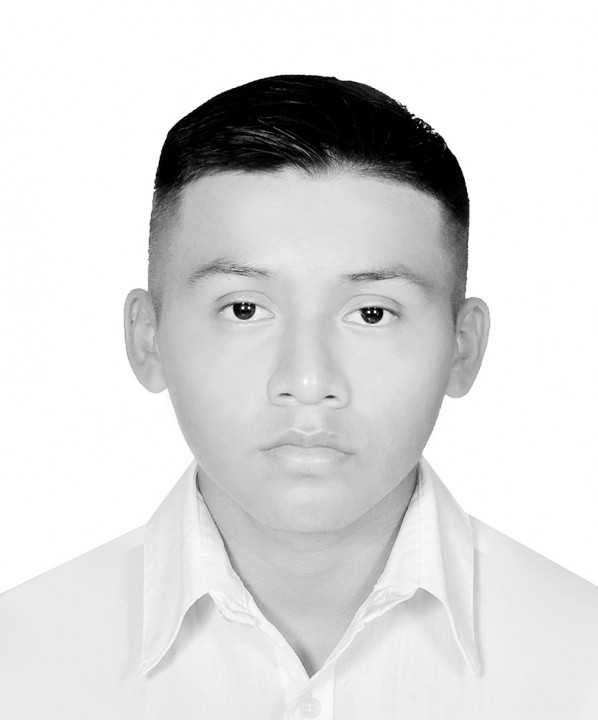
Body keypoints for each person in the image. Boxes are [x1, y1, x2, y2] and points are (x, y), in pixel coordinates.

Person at [1, 74, 596, 720]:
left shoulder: (582, 660)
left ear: (463, 346)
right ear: (147, 339)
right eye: (245, 309)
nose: (308, 381)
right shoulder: (20, 666)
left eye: (371, 313)